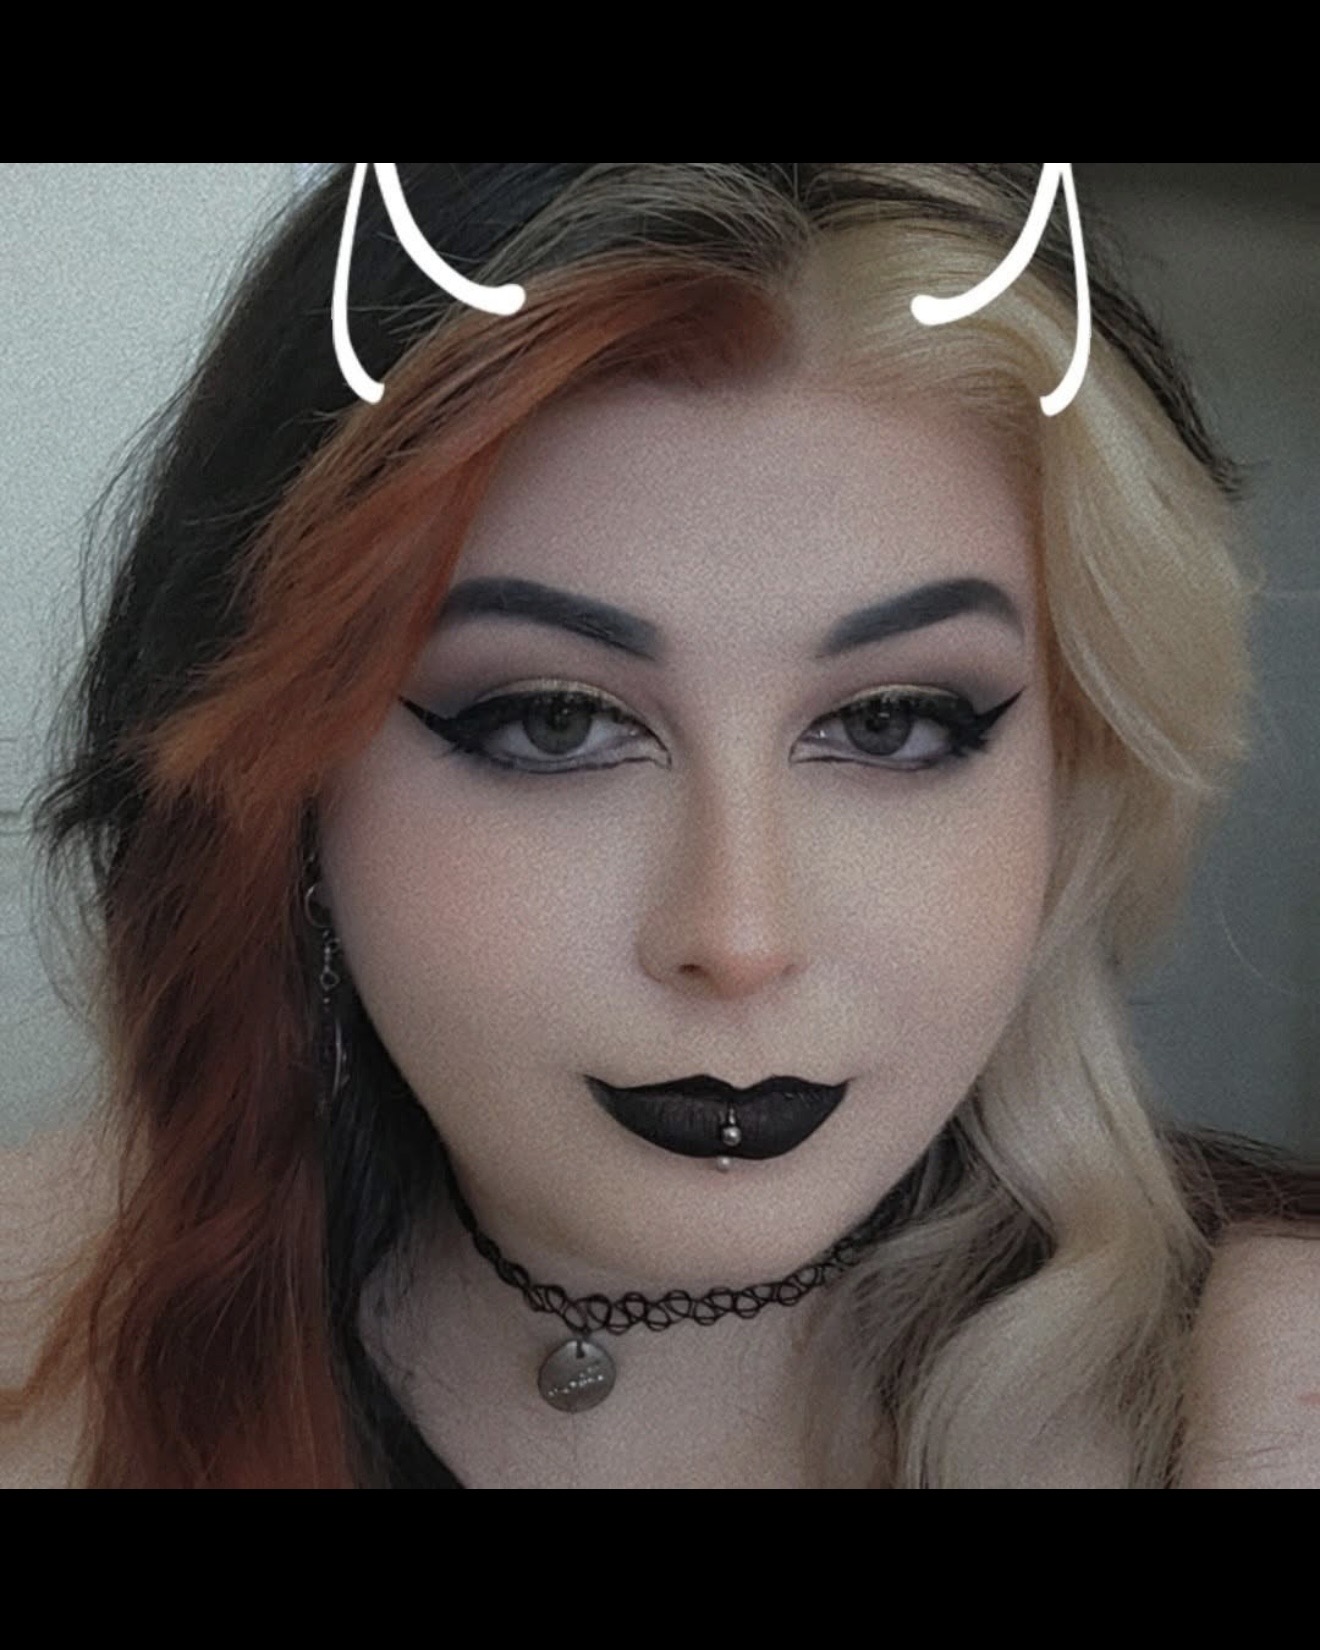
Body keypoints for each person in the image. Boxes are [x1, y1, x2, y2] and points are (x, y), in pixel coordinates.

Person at [2, 163, 1316, 1489]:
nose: (737, 938)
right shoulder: (44, 1360)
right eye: (554, 724)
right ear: (282, 789)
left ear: (1075, 773)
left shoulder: (1266, 1403)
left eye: (889, 724)